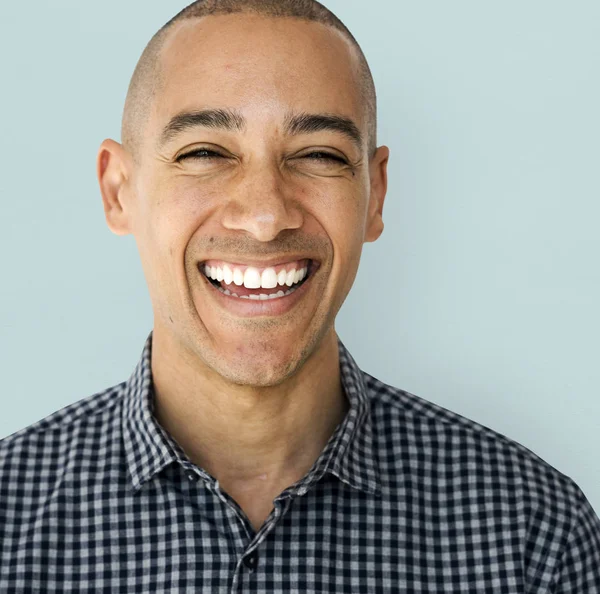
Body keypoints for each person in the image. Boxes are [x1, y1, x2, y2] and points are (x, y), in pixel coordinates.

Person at [1, 0, 599, 591]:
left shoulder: (533, 536)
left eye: (318, 155)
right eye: (205, 153)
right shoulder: (8, 520)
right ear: (118, 191)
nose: (264, 215)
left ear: (375, 194)